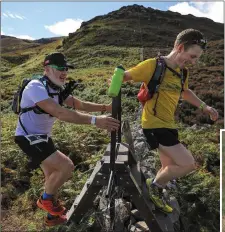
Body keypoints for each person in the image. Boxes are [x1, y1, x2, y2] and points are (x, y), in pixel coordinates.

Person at [114, 28, 219, 213]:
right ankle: (154, 186)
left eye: (196, 58)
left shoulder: (182, 72)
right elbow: (127, 76)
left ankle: (155, 195)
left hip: (169, 125)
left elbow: (184, 92)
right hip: (153, 125)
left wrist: (205, 107)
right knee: (188, 164)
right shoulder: (153, 65)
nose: (193, 62)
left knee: (169, 167)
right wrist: (116, 78)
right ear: (179, 47)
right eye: (192, 56)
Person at [14, 52, 120, 226]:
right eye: (60, 69)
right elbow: (60, 112)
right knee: (66, 166)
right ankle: (45, 200)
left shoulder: (57, 89)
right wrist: (96, 121)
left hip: (42, 138)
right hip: (28, 137)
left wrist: (104, 107)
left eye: (66, 69)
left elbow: (79, 104)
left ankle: (52, 218)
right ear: (47, 69)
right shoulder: (36, 86)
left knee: (52, 176)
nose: (64, 72)